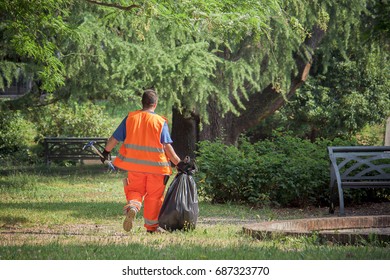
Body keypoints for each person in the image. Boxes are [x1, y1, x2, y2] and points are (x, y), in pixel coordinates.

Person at [100, 89, 185, 233]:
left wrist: (105, 152)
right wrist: (179, 163)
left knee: (135, 190)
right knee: (154, 197)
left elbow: (114, 139)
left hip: (135, 167)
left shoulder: (131, 118)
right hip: (157, 169)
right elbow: (166, 146)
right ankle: (151, 227)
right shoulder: (159, 121)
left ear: (142, 103)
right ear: (155, 104)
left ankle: (133, 206)